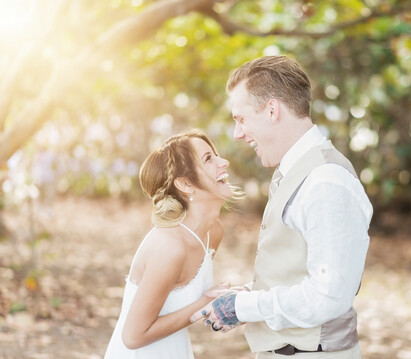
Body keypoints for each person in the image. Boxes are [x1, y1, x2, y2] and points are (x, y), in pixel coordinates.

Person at [191, 56, 373, 358]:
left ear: (272, 110)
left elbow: (329, 296)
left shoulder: (326, 181)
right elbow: (300, 273)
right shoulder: (298, 171)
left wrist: (244, 308)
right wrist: (247, 294)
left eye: (241, 119)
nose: (238, 133)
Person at [105, 129, 236, 359]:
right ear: (185, 184)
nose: (223, 162)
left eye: (216, 155)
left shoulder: (213, 231)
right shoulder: (169, 246)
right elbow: (133, 336)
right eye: (209, 159)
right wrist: (204, 304)